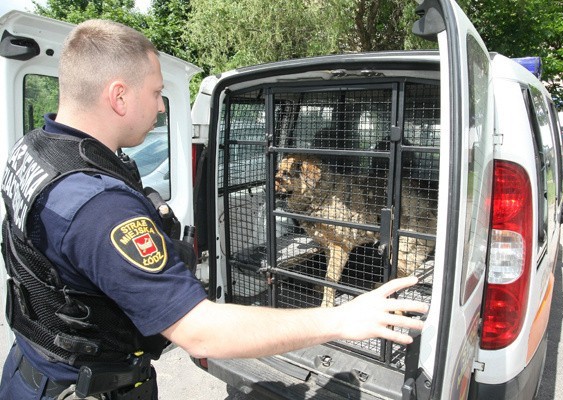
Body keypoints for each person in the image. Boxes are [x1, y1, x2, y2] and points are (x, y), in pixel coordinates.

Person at [0, 19, 428, 400]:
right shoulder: (98, 206)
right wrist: (341, 320)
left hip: (32, 366)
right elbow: (200, 332)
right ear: (118, 96)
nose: (162, 106)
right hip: (85, 384)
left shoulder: (36, 151)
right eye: (156, 93)